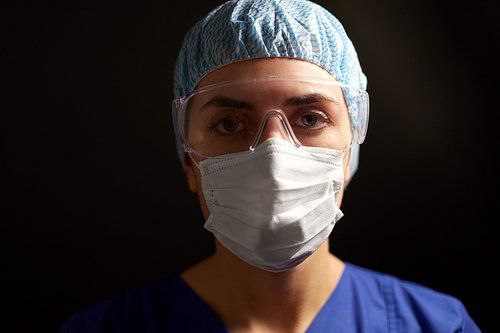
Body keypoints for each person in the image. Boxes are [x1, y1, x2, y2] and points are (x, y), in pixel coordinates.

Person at [59, 0, 481, 332]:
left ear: (350, 149)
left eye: (310, 119)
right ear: (189, 160)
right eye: (229, 123)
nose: (273, 155)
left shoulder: (437, 326)